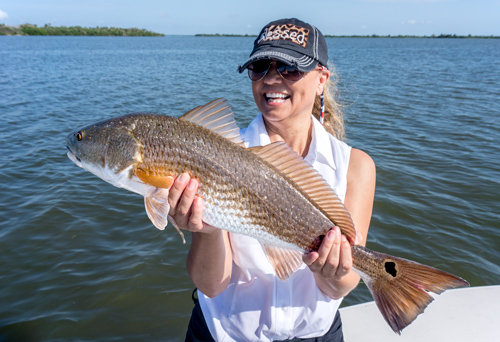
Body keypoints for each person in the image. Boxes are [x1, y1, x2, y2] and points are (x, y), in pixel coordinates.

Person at [169, 18, 376, 342]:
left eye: (290, 68)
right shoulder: (216, 153)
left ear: (321, 79)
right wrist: (206, 230)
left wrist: (331, 271)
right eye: (260, 67)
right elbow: (211, 285)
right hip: (224, 334)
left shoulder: (355, 166)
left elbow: (342, 285)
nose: (272, 79)